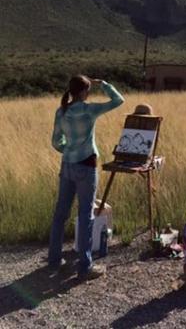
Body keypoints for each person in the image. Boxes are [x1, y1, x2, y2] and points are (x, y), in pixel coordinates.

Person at [48, 75, 125, 280]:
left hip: (67, 165)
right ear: (84, 92)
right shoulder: (90, 110)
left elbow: (56, 141)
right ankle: (85, 266)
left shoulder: (61, 111)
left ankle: (54, 260)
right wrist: (104, 84)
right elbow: (119, 100)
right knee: (85, 216)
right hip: (86, 166)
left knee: (60, 214)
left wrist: (69, 151)